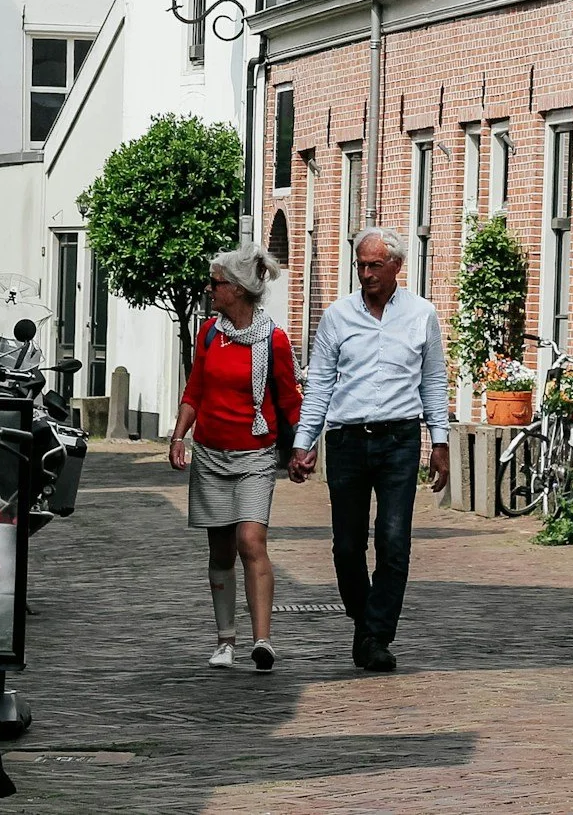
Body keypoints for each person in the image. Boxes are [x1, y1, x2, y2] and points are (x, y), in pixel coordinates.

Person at [288, 226, 450, 673]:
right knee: (346, 545)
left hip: (399, 438)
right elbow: (319, 383)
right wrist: (304, 444)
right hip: (346, 441)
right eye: (360, 265)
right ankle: (365, 618)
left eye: (374, 265)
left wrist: (440, 441)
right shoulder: (338, 316)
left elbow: (433, 381)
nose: (365, 273)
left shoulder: (422, 315)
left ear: (397, 266)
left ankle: (376, 636)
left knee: (394, 539)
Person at [167, 243, 302, 672]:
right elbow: (195, 392)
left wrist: (304, 446)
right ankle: (225, 639)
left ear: (239, 290)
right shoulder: (210, 333)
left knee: (250, 541)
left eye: (216, 283)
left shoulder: (273, 341)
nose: (210, 290)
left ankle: (262, 640)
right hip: (211, 455)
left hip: (255, 456)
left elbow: (289, 399)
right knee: (221, 551)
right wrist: (178, 436)